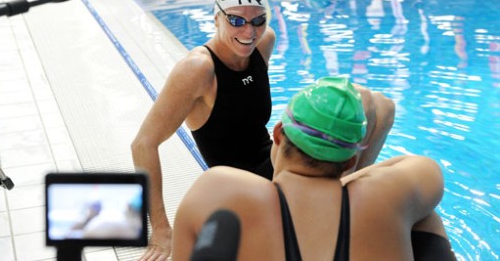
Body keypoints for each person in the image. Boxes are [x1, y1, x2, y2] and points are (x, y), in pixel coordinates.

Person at [131, 0, 395, 259]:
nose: (249, 32)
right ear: (216, 18)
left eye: (258, 20)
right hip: (246, 182)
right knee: (364, 103)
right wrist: (160, 228)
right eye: (236, 20)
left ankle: (343, 191)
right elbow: (143, 144)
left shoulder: (263, 42)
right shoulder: (198, 69)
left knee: (381, 106)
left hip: (275, 158)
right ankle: (341, 197)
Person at [172, 76, 455, 260]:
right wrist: (350, 178)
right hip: (354, 192)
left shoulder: (220, 188)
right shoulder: (387, 196)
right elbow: (426, 169)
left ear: (280, 134)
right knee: (425, 218)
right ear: (350, 161)